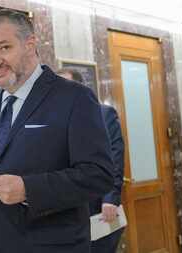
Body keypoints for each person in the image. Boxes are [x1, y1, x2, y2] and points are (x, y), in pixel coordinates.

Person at [0, 9, 114, 253]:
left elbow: (98, 175)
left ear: (30, 44)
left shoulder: (74, 97)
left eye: (4, 48)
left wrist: (28, 189)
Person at [57, 68, 125, 253]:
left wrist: (110, 198)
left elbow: (114, 157)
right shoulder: (55, 119)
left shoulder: (103, 113)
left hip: (99, 208)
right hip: (67, 211)